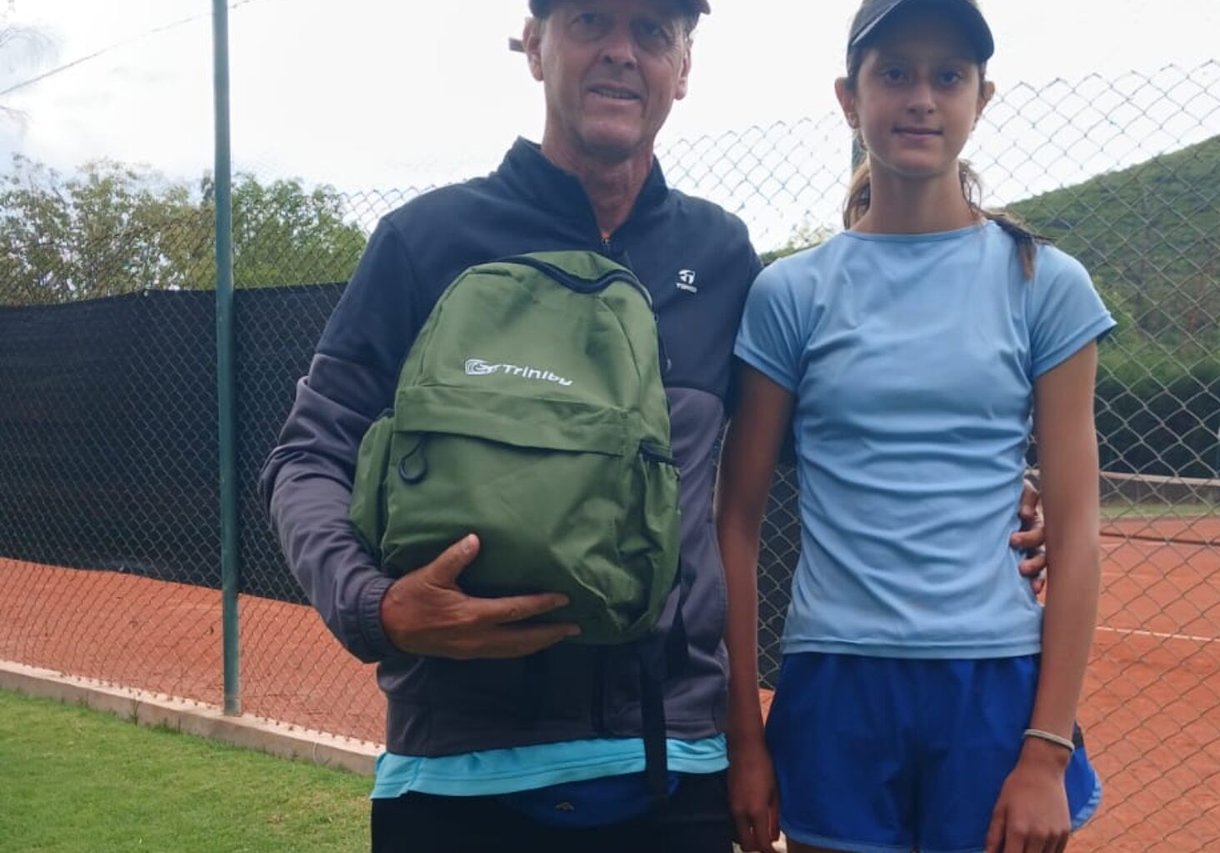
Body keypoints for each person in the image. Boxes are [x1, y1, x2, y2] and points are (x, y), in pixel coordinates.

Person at [258, 1, 1050, 850]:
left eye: (651, 31)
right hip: (457, 773)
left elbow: (826, 437)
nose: (620, 53)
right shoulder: (427, 241)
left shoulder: (721, 255)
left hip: (677, 773)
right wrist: (376, 605)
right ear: (536, 46)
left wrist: (985, 490)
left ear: (684, 66)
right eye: (591, 21)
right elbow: (308, 454)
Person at [716, 1, 1114, 852]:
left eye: (948, 75)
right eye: (894, 72)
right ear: (848, 97)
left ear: (982, 97)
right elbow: (736, 520)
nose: (922, 98)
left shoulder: (1044, 283)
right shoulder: (791, 293)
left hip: (994, 684)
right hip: (836, 680)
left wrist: (1046, 749)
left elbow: (1079, 529)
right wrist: (745, 736)